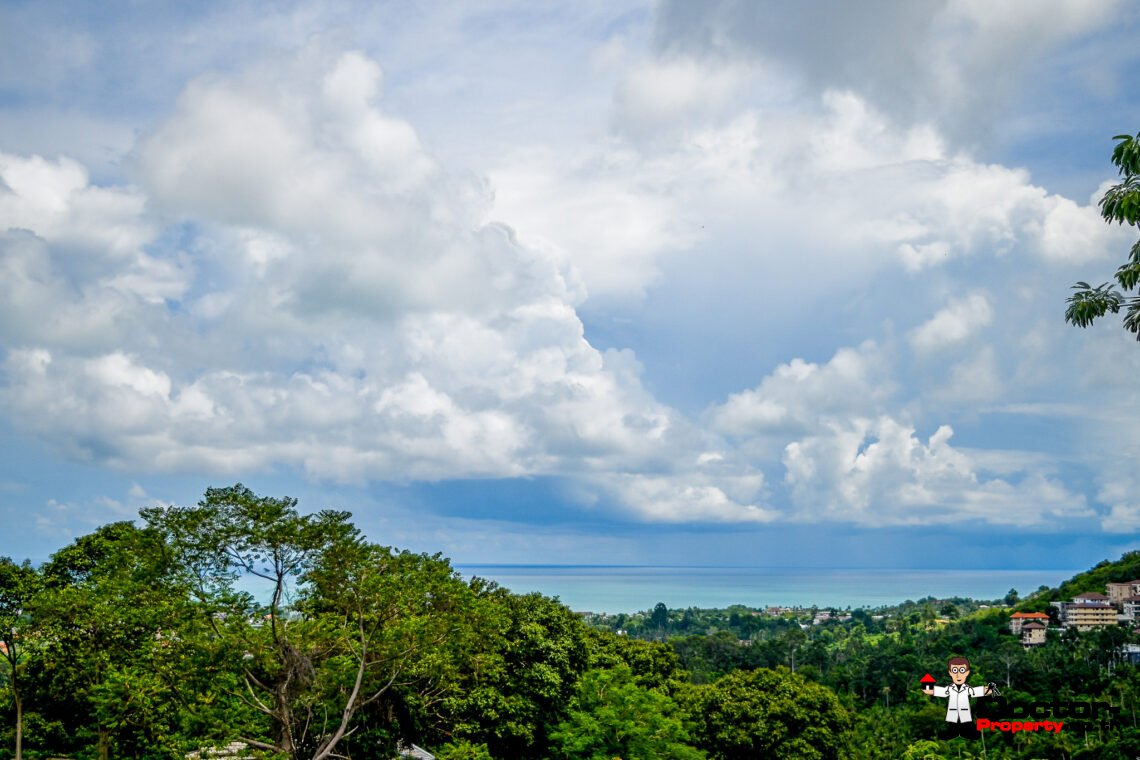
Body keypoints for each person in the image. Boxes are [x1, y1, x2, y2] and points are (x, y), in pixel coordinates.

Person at [922, 656, 994, 739]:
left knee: (966, 726)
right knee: (952, 726)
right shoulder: (950, 688)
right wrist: (927, 688)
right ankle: (951, 734)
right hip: (953, 712)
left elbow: (977, 691)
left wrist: (990, 689)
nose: (958, 675)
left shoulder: (967, 689)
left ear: (967, 672)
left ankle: (966, 733)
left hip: (965, 713)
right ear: (950, 672)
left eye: (962, 671)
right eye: (955, 671)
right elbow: (940, 691)